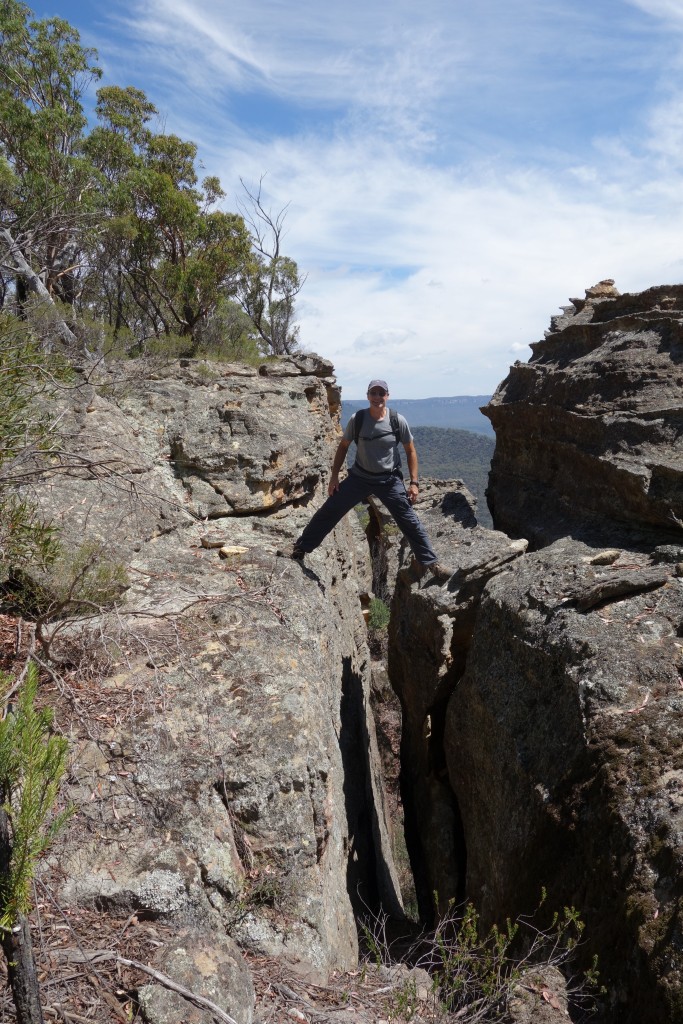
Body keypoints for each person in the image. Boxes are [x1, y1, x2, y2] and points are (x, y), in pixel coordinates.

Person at [281, 379, 452, 582]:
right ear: (368, 396)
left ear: (387, 396)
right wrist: (334, 477)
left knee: (409, 521)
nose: (378, 397)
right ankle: (300, 549)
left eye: (381, 393)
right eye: (374, 393)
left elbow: (410, 451)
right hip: (359, 478)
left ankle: (432, 563)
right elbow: (343, 446)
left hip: (389, 481)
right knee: (330, 510)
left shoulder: (398, 420)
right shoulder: (359, 419)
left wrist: (414, 482)